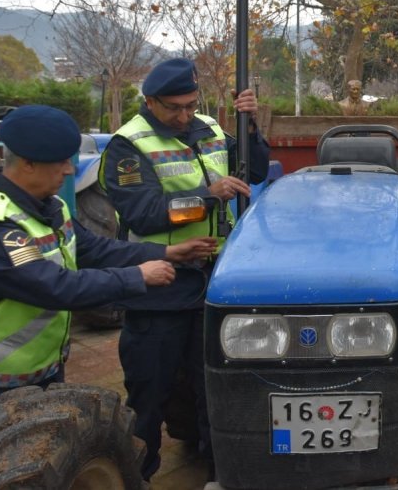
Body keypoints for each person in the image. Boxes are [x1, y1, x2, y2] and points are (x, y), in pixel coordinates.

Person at [0, 105, 216, 432]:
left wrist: (166, 252)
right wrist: (138, 276)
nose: (69, 170)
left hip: (41, 372)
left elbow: (94, 248)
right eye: (61, 162)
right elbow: (54, 287)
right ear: (27, 163)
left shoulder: (50, 207)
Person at [99, 57, 271, 480]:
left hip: (214, 282)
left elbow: (256, 168)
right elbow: (145, 214)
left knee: (214, 386)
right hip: (161, 287)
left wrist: (250, 127)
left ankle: (219, 467)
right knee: (149, 393)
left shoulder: (209, 129)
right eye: (174, 108)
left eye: (190, 105)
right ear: (150, 101)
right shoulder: (128, 144)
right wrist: (208, 196)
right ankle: (140, 474)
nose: (184, 115)